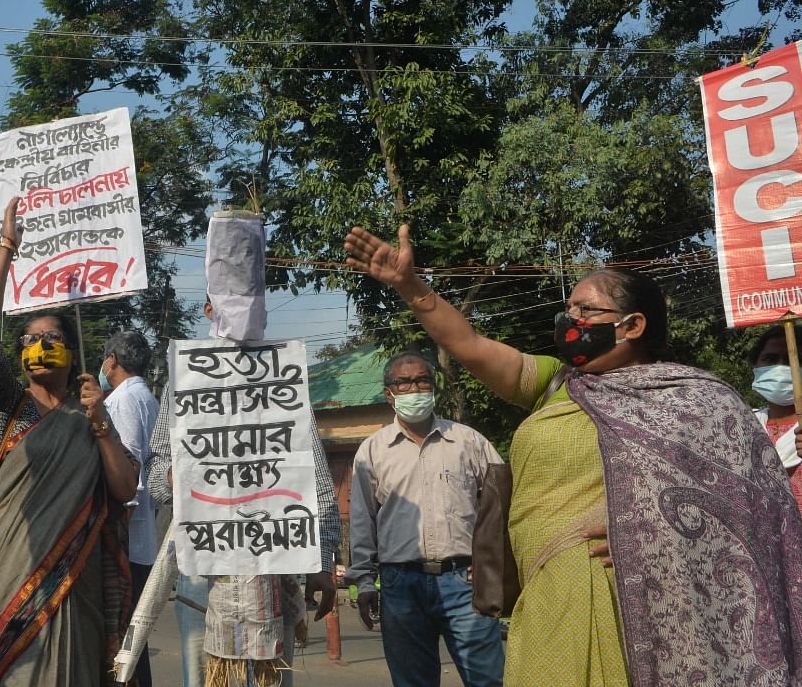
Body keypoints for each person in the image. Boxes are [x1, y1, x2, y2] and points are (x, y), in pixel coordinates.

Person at [343, 224, 802, 685]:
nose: (570, 319)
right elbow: (468, 344)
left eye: (586, 309)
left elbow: (754, 511)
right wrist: (408, 284)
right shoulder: (555, 384)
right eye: (568, 308)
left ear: (633, 325)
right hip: (547, 591)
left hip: (640, 597)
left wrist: (643, 522)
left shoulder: (696, 401)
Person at [0, 196, 139, 687]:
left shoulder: (91, 413)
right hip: (6, 576)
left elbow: (125, 488)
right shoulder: (10, 406)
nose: (38, 346)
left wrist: (101, 422)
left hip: (74, 578)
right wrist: (7, 247)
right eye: (28, 340)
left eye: (50, 337)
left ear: (71, 350)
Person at [145, 296, 341, 687]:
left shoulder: (283, 377)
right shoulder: (183, 381)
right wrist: (175, 476)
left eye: (250, 303)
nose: (240, 312)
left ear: (263, 312)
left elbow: (316, 480)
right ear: (207, 310)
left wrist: (322, 560)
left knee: (271, 680)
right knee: (200, 679)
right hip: (203, 572)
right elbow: (154, 479)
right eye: (227, 303)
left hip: (275, 566)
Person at [348, 350, 505, 687]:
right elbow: (363, 521)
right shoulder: (372, 451)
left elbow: (501, 503)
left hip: (464, 580)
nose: (415, 388)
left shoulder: (468, 442)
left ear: (434, 388)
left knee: (488, 679)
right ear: (388, 394)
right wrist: (362, 581)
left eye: (422, 380)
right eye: (404, 382)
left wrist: (493, 564)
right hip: (400, 583)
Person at [99, 330, 161, 687]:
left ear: (112, 361)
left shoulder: (123, 400)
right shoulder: (146, 397)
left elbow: (129, 469)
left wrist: (116, 534)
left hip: (128, 536)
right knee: (132, 638)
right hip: (141, 532)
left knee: (125, 637)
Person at [748, 326, 802, 514]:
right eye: (770, 359)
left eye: (791, 360)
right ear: (755, 367)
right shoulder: (744, 424)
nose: (781, 368)